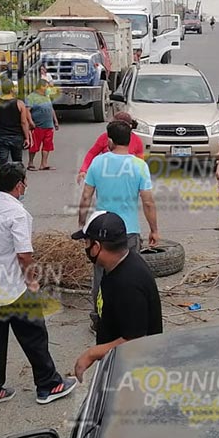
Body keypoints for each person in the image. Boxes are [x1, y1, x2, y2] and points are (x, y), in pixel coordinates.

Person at [0, 164, 78, 408]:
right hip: (14, 290)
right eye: (25, 182)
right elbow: (23, 254)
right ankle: (49, 385)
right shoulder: (18, 213)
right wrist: (31, 280)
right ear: (19, 185)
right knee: (34, 337)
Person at [79, 120, 159, 331]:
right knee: (130, 274)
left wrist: (83, 223)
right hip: (129, 231)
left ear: (110, 141)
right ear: (130, 139)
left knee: (100, 276)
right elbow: (148, 202)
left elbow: (86, 196)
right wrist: (154, 229)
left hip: (100, 230)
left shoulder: (98, 163)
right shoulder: (139, 166)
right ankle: (127, 316)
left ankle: (99, 318)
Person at [71, 211, 163, 378]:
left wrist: (92, 354)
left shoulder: (128, 284)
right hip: (118, 362)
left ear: (96, 247)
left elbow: (135, 342)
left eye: (86, 242)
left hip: (134, 373)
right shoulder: (116, 265)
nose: (85, 247)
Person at [78, 111, 145, 185]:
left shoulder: (137, 141)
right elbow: (92, 153)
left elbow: (140, 162)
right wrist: (83, 170)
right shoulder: (104, 137)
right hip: (105, 177)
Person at [0, 80, 33, 170]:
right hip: (17, 137)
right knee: (17, 162)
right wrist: (27, 137)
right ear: (12, 89)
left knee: (2, 163)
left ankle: (2, 178)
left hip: (2, 137)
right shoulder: (20, 103)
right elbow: (24, 122)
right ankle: (19, 177)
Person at [25, 80, 58, 171]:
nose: (48, 89)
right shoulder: (31, 97)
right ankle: (30, 163)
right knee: (34, 145)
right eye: (46, 87)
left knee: (47, 145)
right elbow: (27, 111)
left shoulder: (46, 96)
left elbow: (51, 109)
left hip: (48, 125)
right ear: (41, 87)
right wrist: (31, 122)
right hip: (37, 126)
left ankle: (44, 164)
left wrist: (55, 121)